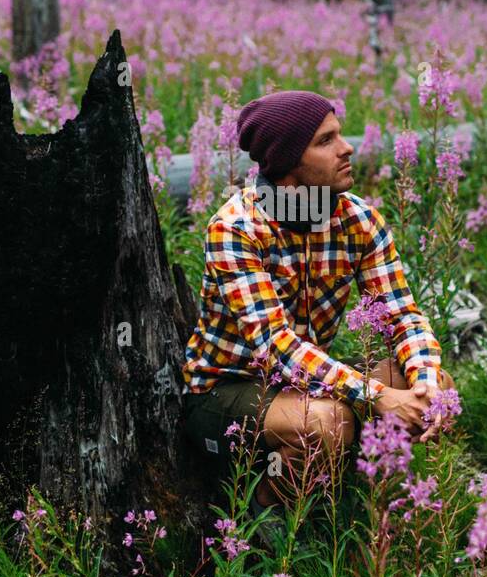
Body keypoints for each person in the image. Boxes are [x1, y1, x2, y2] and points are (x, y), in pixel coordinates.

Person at [180, 89, 456, 508]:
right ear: (288, 164)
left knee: (435, 385)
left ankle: (370, 496)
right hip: (226, 389)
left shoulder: (359, 220)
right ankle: (266, 526)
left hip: (307, 383)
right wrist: (378, 397)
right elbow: (276, 348)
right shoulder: (236, 229)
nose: (347, 148)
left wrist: (425, 382)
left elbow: (403, 317)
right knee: (328, 422)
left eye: (340, 135)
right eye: (325, 141)